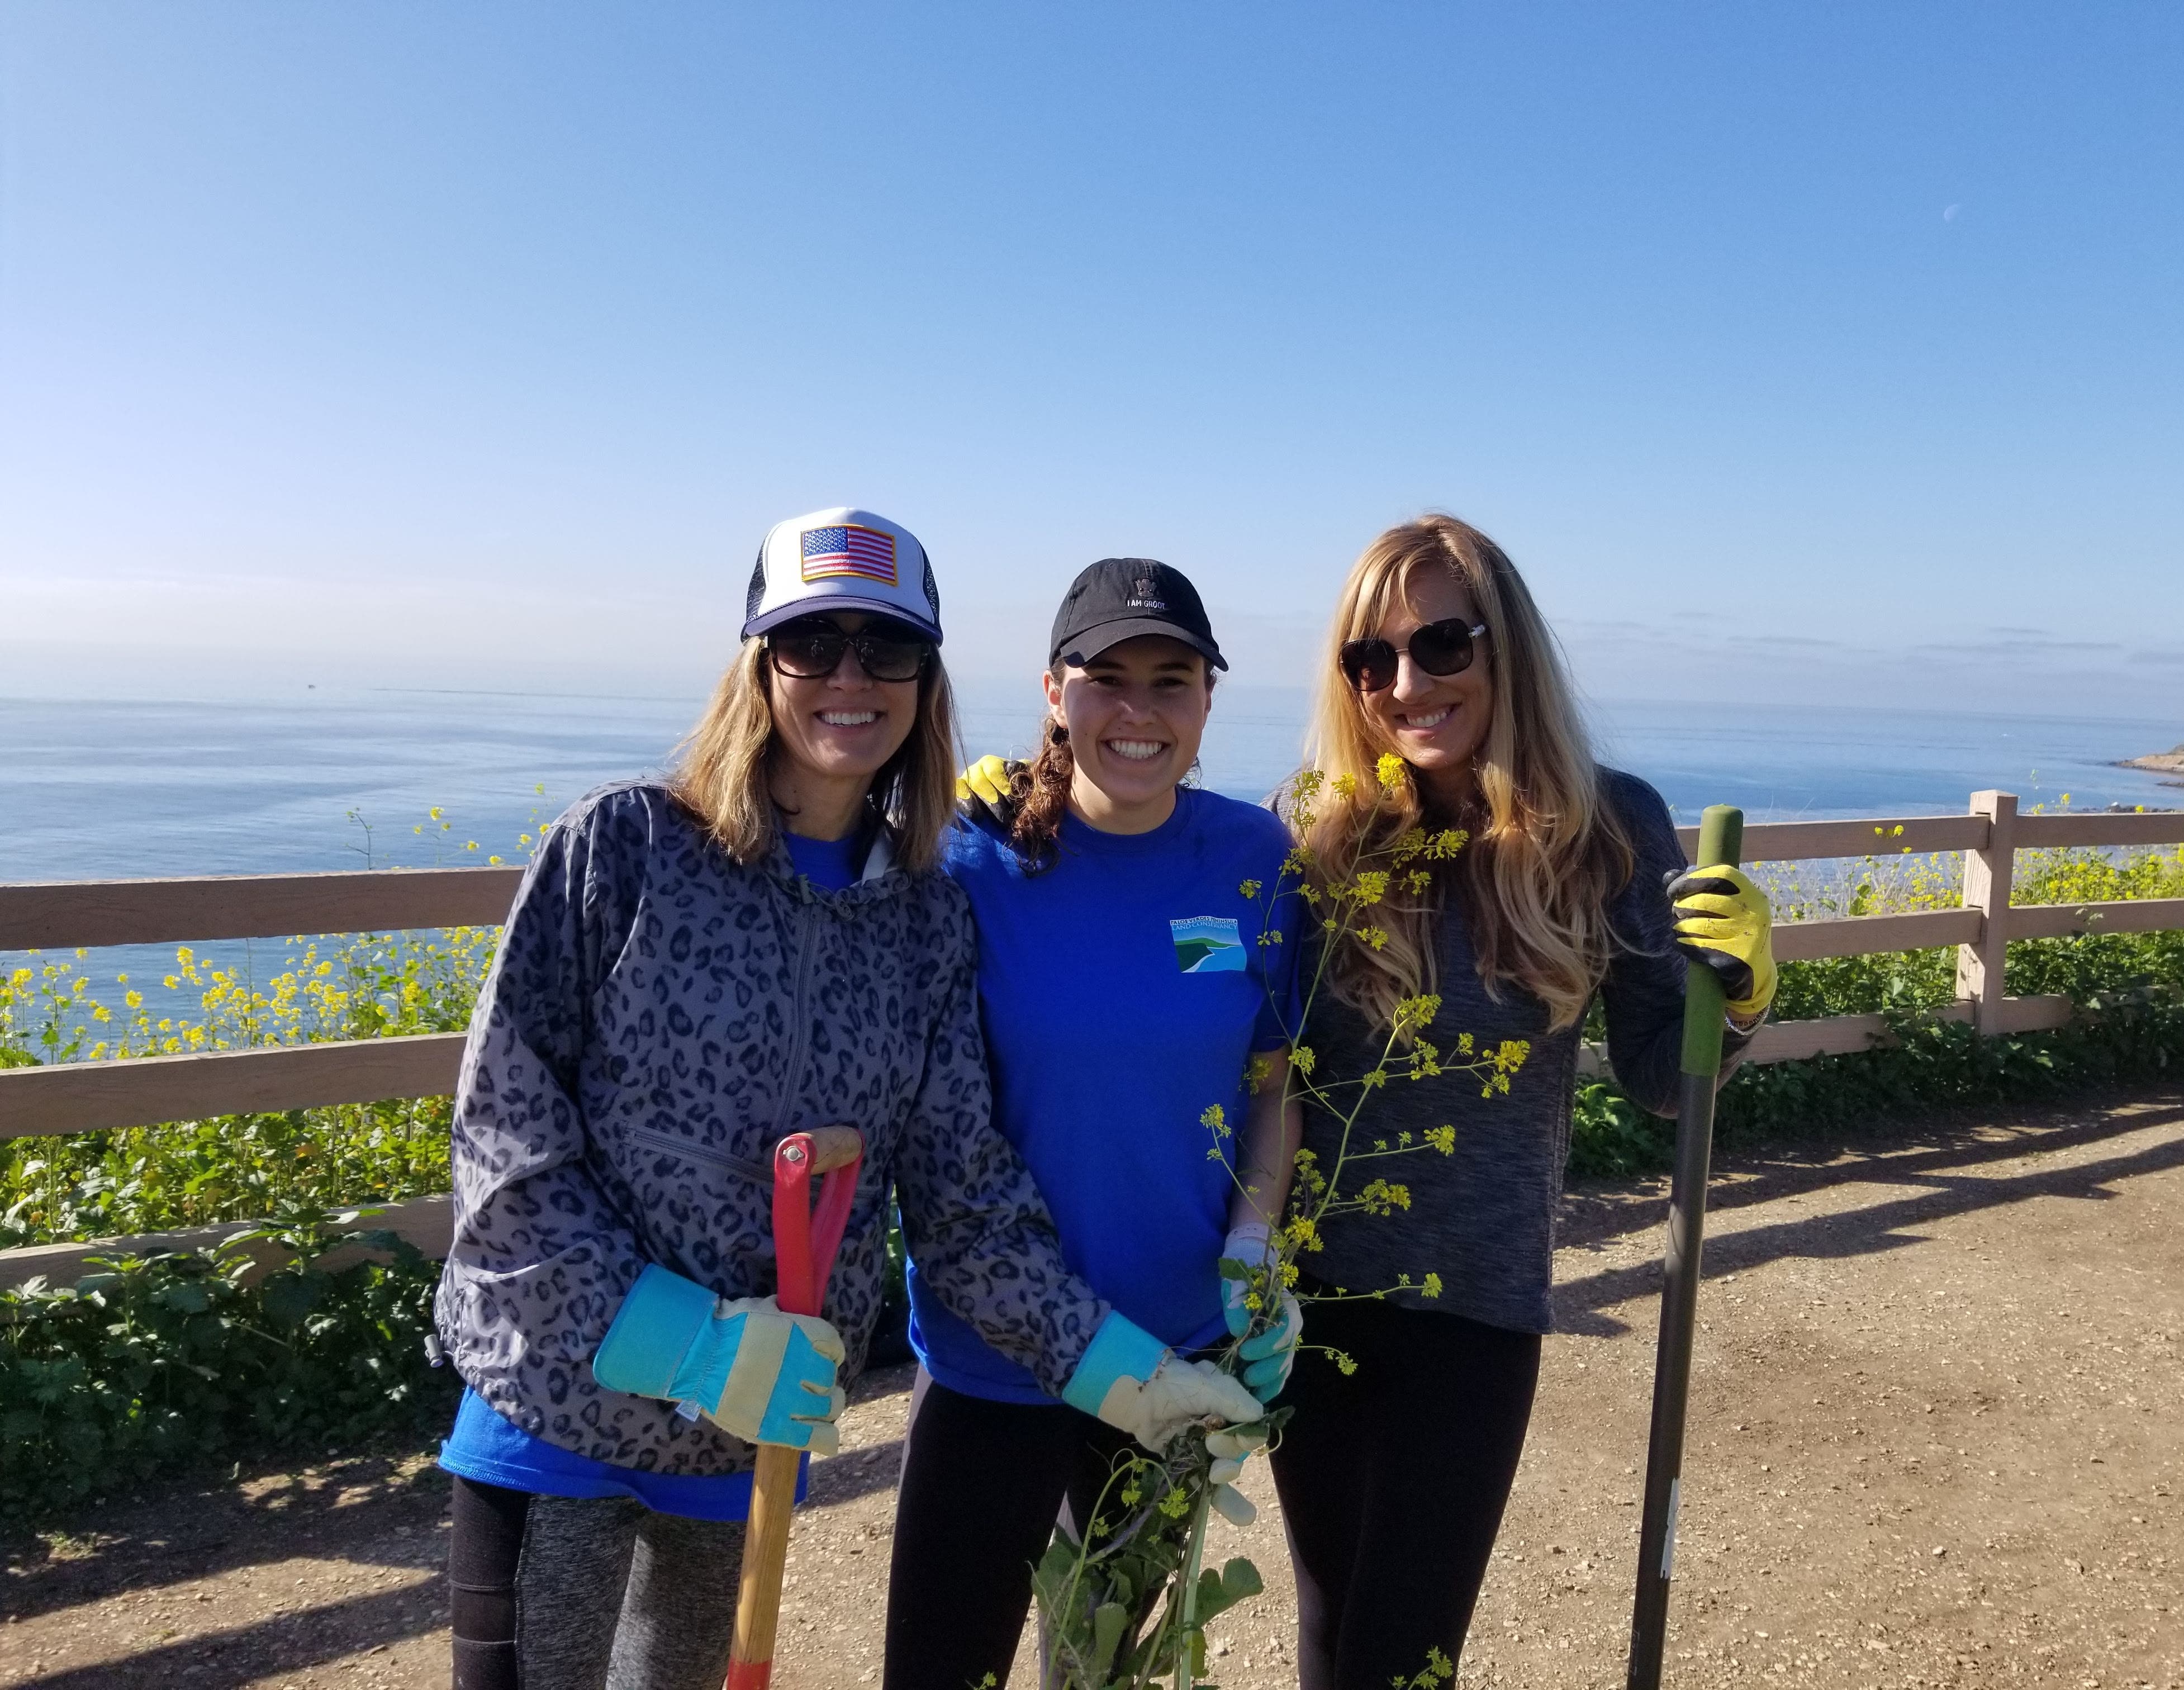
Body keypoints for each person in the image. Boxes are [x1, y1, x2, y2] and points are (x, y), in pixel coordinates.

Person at [432, 511, 1261, 1690]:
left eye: (888, 650)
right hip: (552, 1420)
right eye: (811, 644)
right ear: (758, 664)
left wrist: (1130, 1378)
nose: (849, 679)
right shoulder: (623, 849)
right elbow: (504, 1140)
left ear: (928, 678)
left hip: (735, 1461)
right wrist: (688, 1345)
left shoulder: (923, 918)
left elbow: (967, 1202)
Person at [1267, 514, 1777, 1687]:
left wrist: (1737, 997)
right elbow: (1243, 1053)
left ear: (1510, 650)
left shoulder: (1608, 828)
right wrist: (1044, 803)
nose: (1409, 683)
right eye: (1372, 659)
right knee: (1331, 1636)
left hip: (1478, 1306)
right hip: (1311, 1304)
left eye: (1445, 643)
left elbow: (1662, 1079)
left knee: (1405, 1658)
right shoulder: (1319, 840)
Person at [884, 559, 1305, 1689]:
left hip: (1175, 1354)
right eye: (1105, 678)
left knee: (1111, 1670)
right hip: (997, 1361)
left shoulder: (1254, 862)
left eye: (1171, 681)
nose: (1138, 710)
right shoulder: (968, 856)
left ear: (1209, 700)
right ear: (1053, 692)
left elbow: (1275, 1080)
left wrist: (1257, 1249)